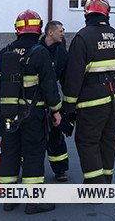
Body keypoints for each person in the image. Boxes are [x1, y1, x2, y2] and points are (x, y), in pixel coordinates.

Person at [0, 10, 61, 214]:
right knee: (32, 153)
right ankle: (33, 202)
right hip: (33, 115)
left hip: (7, 115)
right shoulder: (40, 53)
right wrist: (56, 111)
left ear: (17, 30)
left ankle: (9, 200)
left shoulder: (3, 54)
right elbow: (49, 87)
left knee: (10, 153)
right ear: (39, 29)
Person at [61, 0, 115, 185]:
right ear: (107, 13)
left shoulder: (82, 38)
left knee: (87, 141)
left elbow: (73, 78)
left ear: (86, 14)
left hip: (92, 100)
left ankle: (94, 188)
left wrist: (68, 110)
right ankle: (106, 181)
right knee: (109, 140)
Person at [41, 20, 69, 182]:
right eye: (60, 31)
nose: (63, 33)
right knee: (34, 138)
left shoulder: (62, 54)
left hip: (55, 102)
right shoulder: (37, 50)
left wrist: (67, 107)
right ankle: (30, 170)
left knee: (56, 137)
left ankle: (61, 170)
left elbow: (66, 80)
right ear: (50, 32)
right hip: (36, 102)